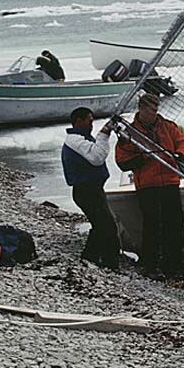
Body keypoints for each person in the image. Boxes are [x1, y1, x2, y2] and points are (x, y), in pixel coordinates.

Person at [115, 92, 184, 279]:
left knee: (175, 225)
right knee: (152, 226)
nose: (154, 114)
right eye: (150, 110)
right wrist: (143, 158)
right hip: (147, 185)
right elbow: (122, 161)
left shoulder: (167, 126)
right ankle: (150, 265)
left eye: (156, 110)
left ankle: (173, 263)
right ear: (141, 109)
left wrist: (180, 154)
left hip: (169, 182)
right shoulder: (129, 134)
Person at [61, 107, 120, 269]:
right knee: (107, 226)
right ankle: (109, 263)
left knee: (101, 225)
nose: (91, 125)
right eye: (90, 121)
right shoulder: (75, 141)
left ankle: (91, 257)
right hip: (86, 190)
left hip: (91, 189)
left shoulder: (80, 139)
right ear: (79, 121)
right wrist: (104, 135)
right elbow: (97, 157)